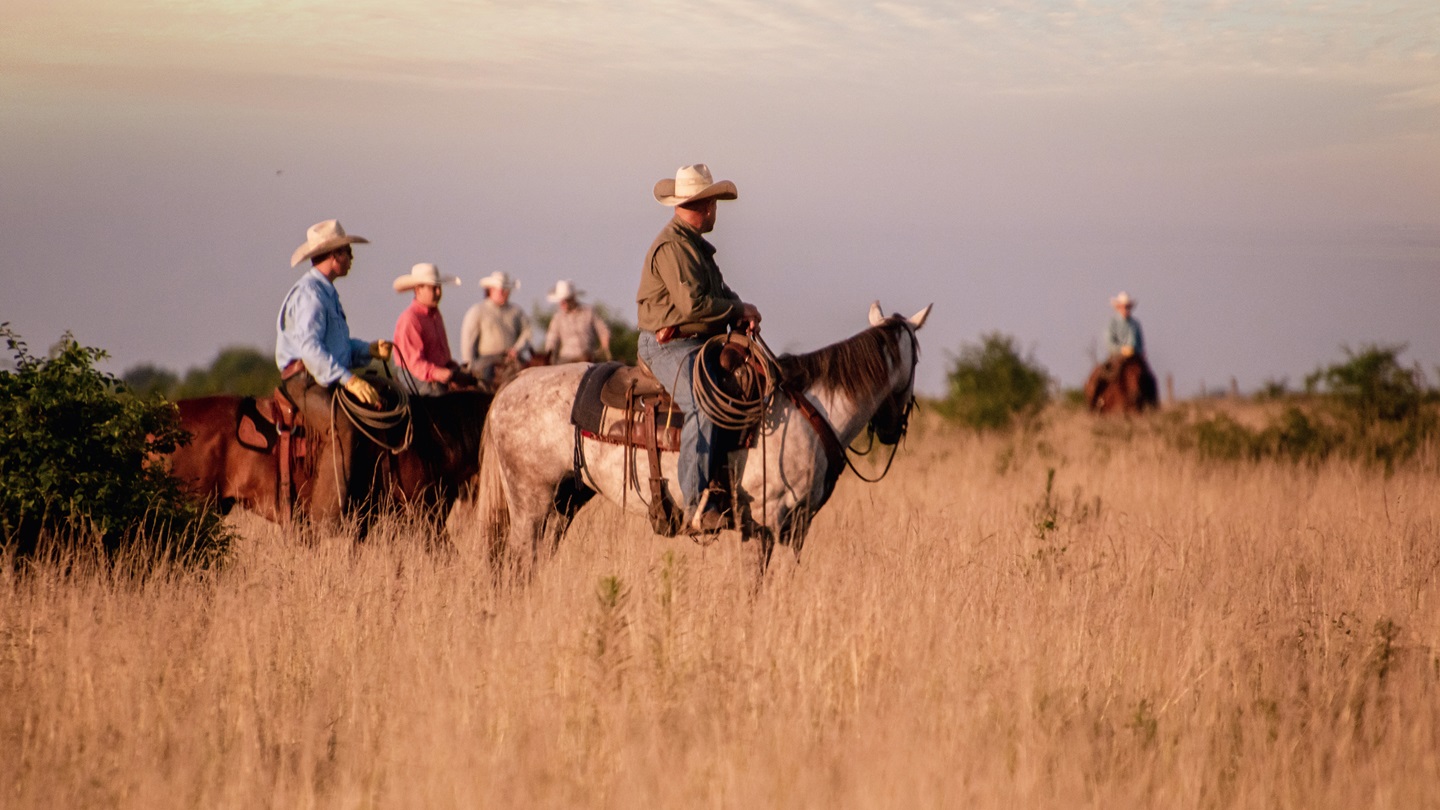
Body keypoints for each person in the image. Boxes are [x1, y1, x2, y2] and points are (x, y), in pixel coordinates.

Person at [636, 164, 762, 533]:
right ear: (706, 205)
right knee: (705, 403)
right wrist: (739, 310)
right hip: (668, 345)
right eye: (715, 203)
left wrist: (740, 309)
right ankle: (695, 502)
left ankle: (727, 488)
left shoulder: (694, 247)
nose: (716, 211)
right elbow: (693, 305)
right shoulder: (674, 247)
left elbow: (719, 293)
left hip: (696, 342)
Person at [274, 219, 392, 519]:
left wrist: (367, 350)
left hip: (319, 376)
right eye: (347, 252)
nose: (351, 258)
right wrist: (348, 379)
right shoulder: (311, 294)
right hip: (304, 380)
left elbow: (335, 349)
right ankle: (326, 521)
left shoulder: (325, 292)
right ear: (333, 255)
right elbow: (311, 349)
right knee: (342, 427)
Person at [391, 262, 473, 395]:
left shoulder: (435, 316)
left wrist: (452, 368)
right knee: (440, 401)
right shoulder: (410, 319)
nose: (438, 292)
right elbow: (413, 363)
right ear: (418, 290)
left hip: (434, 372)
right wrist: (438, 373)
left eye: (439, 288)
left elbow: (441, 354)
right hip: (413, 375)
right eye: (433, 288)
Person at [460, 271, 532, 388]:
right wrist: (469, 367)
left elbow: (527, 332)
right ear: (491, 290)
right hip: (487, 360)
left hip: (511, 358)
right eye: (501, 289)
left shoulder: (516, 311)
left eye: (506, 290)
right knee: (485, 383)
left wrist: (517, 349)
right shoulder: (478, 311)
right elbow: (468, 341)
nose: (505, 293)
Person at [544, 279, 611, 363]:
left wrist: (604, 341)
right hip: (566, 358)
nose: (562, 304)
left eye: (566, 300)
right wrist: (550, 354)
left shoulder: (588, 312)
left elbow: (602, 329)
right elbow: (552, 339)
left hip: (587, 356)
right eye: (561, 301)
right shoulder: (558, 318)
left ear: (573, 298)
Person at [1104, 291, 1145, 361]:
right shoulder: (1112, 323)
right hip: (1116, 358)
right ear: (1118, 307)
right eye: (1123, 307)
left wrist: (1134, 350)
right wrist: (1121, 350)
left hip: (1135, 358)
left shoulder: (1135, 324)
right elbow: (1109, 343)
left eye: (1128, 307)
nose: (1126, 309)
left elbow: (1140, 345)